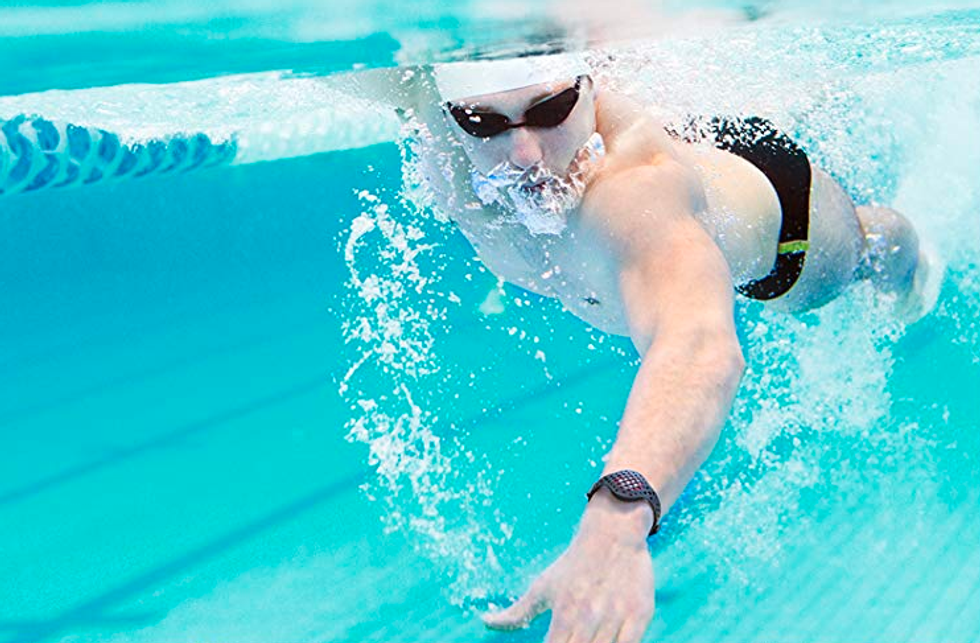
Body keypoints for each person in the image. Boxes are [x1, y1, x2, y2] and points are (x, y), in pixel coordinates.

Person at [339, 52, 941, 643]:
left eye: (551, 109)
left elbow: (698, 345)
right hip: (674, 146)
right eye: (484, 122)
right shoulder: (430, 107)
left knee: (867, 250)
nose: (523, 153)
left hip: (778, 215)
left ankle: (904, 255)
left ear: (588, 87)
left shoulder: (632, 195)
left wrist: (616, 522)